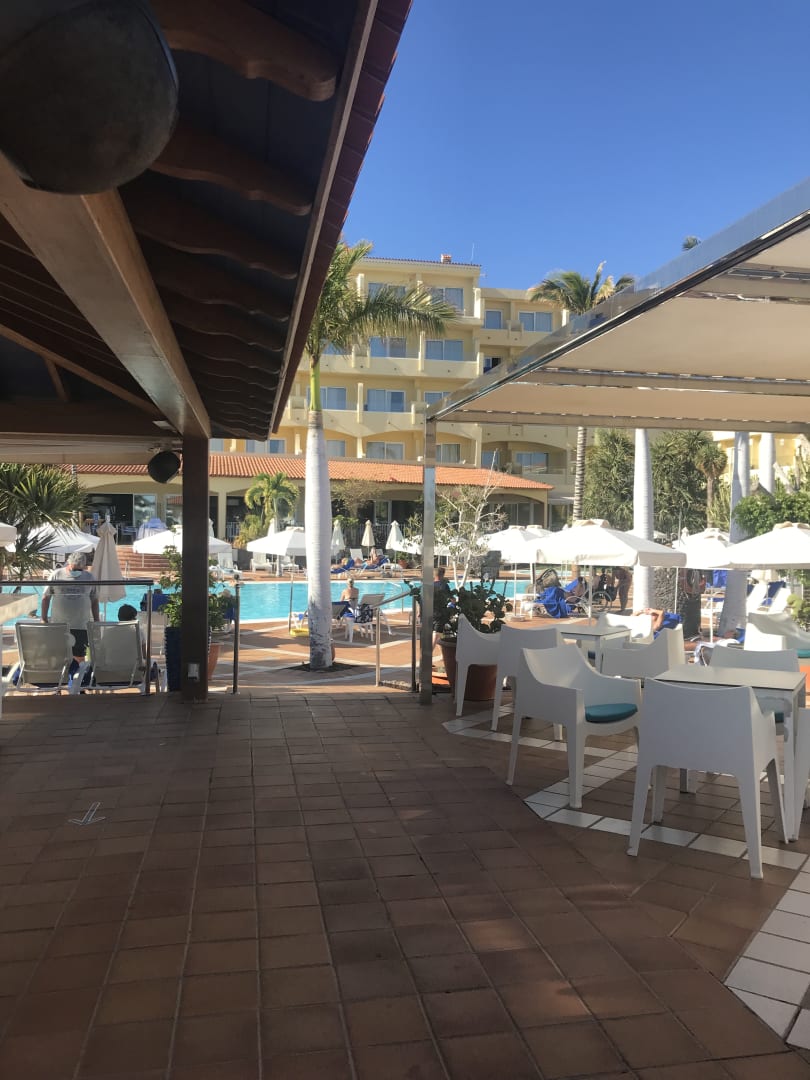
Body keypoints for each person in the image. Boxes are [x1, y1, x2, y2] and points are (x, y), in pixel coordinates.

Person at [41, 552, 99, 663]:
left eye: (80, 570)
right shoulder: (56, 575)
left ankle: (77, 674)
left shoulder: (89, 577)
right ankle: (62, 674)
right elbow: (46, 597)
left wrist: (96, 620)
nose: (77, 572)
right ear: (68, 564)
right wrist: (43, 618)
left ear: (84, 567)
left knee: (79, 656)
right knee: (58, 655)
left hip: (81, 625)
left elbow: (94, 600)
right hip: (59, 625)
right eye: (74, 569)